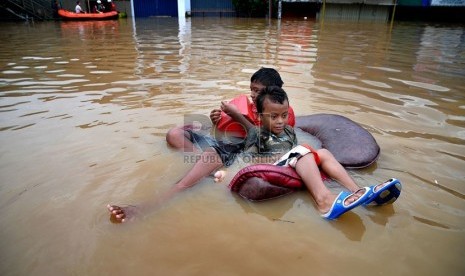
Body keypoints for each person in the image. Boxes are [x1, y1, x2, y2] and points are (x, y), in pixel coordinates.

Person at [108, 68, 293, 222]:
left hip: (233, 149)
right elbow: (224, 129)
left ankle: (144, 209)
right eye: (252, 89)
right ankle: (205, 167)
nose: (253, 95)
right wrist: (216, 120)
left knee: (183, 183)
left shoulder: (278, 114)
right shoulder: (250, 106)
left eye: (258, 91)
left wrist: (237, 116)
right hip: (223, 144)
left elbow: (264, 139)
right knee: (174, 134)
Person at [231, 86, 395, 220]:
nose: (280, 121)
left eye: (284, 115)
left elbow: (294, 149)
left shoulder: (288, 131)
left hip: (292, 161)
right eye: (273, 116)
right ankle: (324, 201)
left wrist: (295, 153)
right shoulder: (256, 134)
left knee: (322, 152)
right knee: (303, 150)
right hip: (271, 166)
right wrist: (281, 156)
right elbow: (249, 160)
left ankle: (357, 191)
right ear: (260, 117)